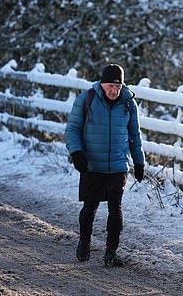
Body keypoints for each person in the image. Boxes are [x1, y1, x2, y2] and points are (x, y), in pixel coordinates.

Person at [65, 63, 145, 267]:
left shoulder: (128, 103)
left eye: (118, 87)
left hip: (118, 166)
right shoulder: (87, 99)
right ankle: (84, 242)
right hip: (92, 164)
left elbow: (134, 136)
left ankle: (111, 252)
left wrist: (139, 162)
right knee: (90, 207)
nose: (114, 90)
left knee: (115, 208)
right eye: (110, 85)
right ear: (102, 84)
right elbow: (72, 129)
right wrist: (76, 152)